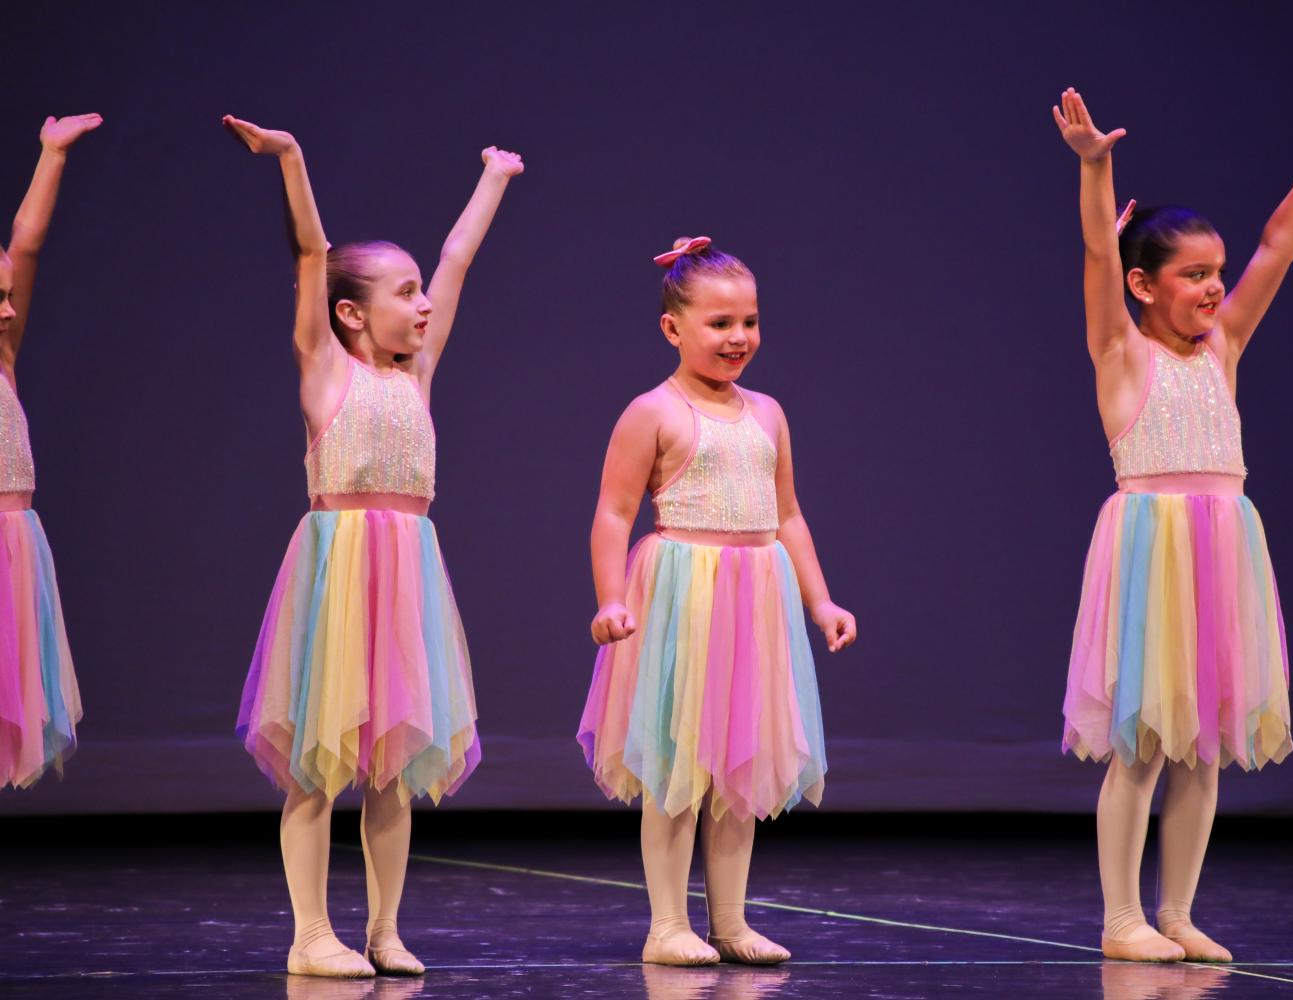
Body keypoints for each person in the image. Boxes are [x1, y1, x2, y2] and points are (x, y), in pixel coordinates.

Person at [1052, 81, 1293, 962]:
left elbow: (1281, 243)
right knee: (1144, 745)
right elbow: (1093, 252)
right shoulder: (1122, 354)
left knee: (1202, 748)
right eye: (1194, 275)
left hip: (1223, 547)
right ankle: (1122, 919)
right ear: (1142, 285)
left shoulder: (1225, 344)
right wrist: (1097, 165)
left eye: (1215, 273)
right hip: (1152, 550)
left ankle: (1179, 911)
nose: (1214, 287)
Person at [228, 114, 522, 977]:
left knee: (392, 770)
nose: (424, 301)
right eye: (405, 291)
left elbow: (460, 260)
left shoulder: (416, 377)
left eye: (421, 288)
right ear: (352, 313)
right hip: (339, 572)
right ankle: (310, 934)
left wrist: (494, 179)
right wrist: (293, 157)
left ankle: (385, 928)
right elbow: (310, 254)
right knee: (318, 765)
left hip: (408, 579)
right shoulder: (328, 370)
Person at [579, 237, 856, 965]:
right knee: (678, 763)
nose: (740, 339)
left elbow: (787, 513)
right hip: (683, 597)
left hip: (755, 595)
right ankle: (667, 924)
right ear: (674, 328)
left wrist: (819, 602)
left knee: (740, 764)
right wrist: (612, 598)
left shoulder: (768, 412)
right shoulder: (654, 411)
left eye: (750, 322)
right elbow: (613, 513)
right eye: (720, 324)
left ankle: (729, 921)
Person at [0, 113, 99, 790]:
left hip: (13, 555)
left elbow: (25, 249)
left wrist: (51, 157)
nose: (9, 312)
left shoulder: (2, 359)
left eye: (7, 300)